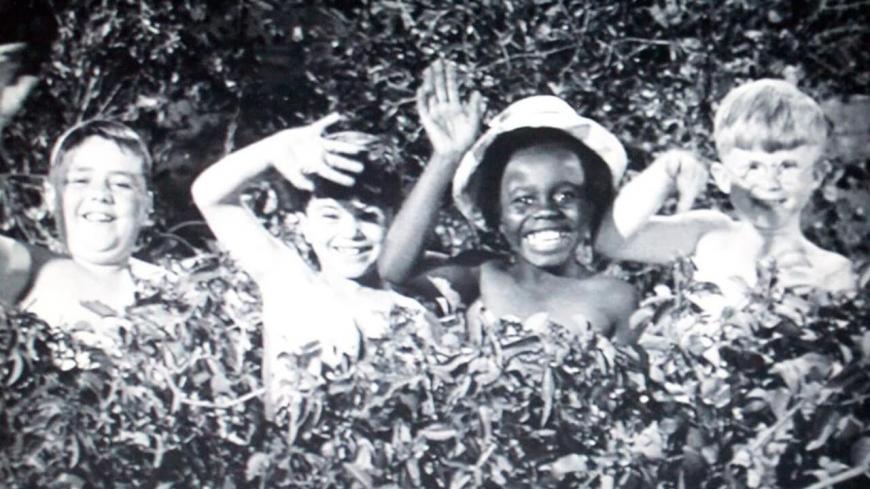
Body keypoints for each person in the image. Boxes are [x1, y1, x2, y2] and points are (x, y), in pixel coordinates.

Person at [190, 114, 435, 417]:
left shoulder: (412, 316)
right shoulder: (289, 284)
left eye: (367, 216)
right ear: (303, 224)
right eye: (330, 216)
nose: (350, 232)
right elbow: (210, 196)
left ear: (392, 221)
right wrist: (275, 148)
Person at [378, 60, 639, 343]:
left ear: (590, 205)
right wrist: (446, 158)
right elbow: (393, 269)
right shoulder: (482, 276)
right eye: (523, 200)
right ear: (497, 214)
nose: (545, 211)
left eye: (565, 196)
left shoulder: (615, 297)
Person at [596, 79, 856, 304]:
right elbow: (608, 240)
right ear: (722, 177)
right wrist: (664, 172)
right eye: (753, 167)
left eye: (787, 166)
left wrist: (810, 305)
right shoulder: (706, 236)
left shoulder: (831, 270)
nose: (769, 182)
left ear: (817, 175)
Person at [1, 119, 161, 326]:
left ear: (147, 205)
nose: (99, 194)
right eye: (81, 181)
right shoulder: (29, 270)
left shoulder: (172, 288)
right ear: (51, 196)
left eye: (121, 184)